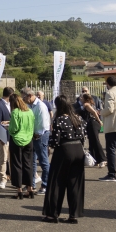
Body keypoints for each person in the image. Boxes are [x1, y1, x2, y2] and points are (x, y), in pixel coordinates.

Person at [42, 95, 86, 224]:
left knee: (57, 182)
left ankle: (52, 214)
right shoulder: (79, 118)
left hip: (64, 150)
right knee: (75, 184)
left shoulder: (59, 119)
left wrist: (49, 144)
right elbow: (84, 136)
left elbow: (56, 140)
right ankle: (73, 215)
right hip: (78, 150)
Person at [22, 87, 51, 196]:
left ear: (29, 96)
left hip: (40, 135)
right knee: (31, 161)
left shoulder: (41, 106)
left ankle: (45, 185)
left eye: (24, 97)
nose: (23, 99)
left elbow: (43, 124)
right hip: (32, 135)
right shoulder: (29, 105)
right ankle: (31, 184)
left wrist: (36, 135)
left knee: (43, 160)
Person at [7, 93, 35, 199]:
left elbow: (14, 128)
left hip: (17, 140)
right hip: (28, 139)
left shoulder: (15, 112)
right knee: (28, 164)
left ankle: (19, 190)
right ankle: (30, 188)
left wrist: (8, 128)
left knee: (16, 164)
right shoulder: (30, 111)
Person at [77, 93, 107, 168]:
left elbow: (94, 113)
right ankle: (95, 159)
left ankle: (103, 159)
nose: (80, 98)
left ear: (85, 98)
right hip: (90, 124)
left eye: (82, 97)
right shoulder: (88, 104)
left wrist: (99, 121)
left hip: (93, 123)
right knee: (92, 142)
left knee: (95, 141)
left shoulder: (87, 104)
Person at [0, 87, 14, 189]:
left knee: (11, 158)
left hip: (12, 136)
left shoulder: (11, 105)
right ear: (10, 95)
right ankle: (3, 179)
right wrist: (1, 137)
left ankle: (12, 178)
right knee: (3, 159)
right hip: (3, 136)